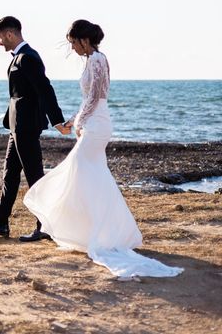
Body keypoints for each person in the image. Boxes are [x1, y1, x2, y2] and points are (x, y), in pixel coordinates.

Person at [23, 20, 183, 277]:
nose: (72, 48)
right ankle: (95, 231)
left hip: (96, 125)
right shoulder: (92, 61)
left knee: (78, 170)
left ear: (84, 40)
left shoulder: (97, 59)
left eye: (73, 42)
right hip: (94, 122)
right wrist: (73, 120)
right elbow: (88, 99)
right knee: (92, 177)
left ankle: (100, 233)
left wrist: (80, 122)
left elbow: (96, 97)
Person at [0, 16, 70, 241]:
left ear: (9, 34)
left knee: (35, 176)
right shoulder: (18, 57)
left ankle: (45, 226)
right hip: (16, 127)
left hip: (27, 127)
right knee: (10, 175)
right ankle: (0, 223)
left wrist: (57, 121)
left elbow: (45, 89)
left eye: (0, 37)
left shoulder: (28, 58)